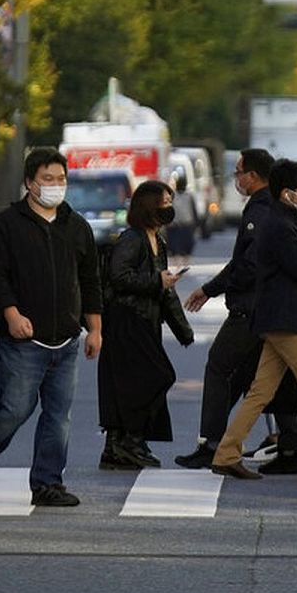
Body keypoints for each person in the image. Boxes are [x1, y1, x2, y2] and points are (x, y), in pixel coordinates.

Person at [0, 148, 103, 508]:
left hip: (66, 338)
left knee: (58, 416)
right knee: (14, 409)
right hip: (22, 338)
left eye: (61, 179)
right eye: (48, 180)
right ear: (29, 183)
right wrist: (11, 314)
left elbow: (90, 280)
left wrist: (95, 329)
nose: (56, 186)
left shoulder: (76, 225)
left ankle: (47, 483)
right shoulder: (6, 226)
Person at [207, 159, 297, 480]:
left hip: (277, 318)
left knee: (261, 391)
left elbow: (295, 270)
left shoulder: (284, 220)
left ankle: (227, 453)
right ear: (287, 193)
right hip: (287, 320)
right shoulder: (280, 225)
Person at [177, 150, 297, 470]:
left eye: (239, 173)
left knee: (219, 366)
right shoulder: (272, 206)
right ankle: (290, 445)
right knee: (262, 377)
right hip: (268, 309)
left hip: (251, 309)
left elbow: (248, 265)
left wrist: (210, 289)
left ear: (254, 176)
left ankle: (212, 442)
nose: (236, 179)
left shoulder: (260, 210)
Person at [98, 180, 194, 470]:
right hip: (126, 321)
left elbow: (164, 290)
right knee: (155, 377)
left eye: (170, 201)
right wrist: (157, 281)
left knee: (128, 385)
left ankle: (117, 445)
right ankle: (130, 440)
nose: (169, 207)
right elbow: (119, 276)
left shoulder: (158, 241)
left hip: (145, 322)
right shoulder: (133, 238)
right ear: (148, 205)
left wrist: (183, 330)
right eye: (163, 202)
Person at [167, 173, 199, 267]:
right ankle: (179, 266)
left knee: (185, 248)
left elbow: (193, 210)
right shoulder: (173, 196)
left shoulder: (188, 196)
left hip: (185, 225)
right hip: (177, 226)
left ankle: (183, 266)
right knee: (175, 249)